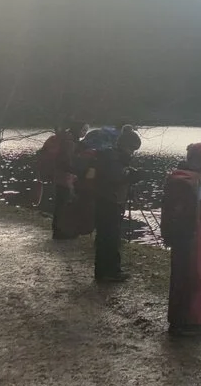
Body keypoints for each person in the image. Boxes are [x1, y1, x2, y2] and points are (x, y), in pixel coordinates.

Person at [166, 143, 201, 336]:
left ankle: (176, 320)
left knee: (179, 274)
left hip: (179, 234)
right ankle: (193, 323)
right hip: (198, 234)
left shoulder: (176, 177)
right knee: (196, 276)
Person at [93, 125, 142, 283]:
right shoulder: (114, 158)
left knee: (105, 237)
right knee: (111, 238)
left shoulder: (111, 156)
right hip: (110, 202)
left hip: (106, 200)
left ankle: (102, 271)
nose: (132, 153)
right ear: (125, 145)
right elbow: (115, 179)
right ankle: (112, 271)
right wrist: (131, 177)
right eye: (132, 149)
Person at [50, 121, 89, 240]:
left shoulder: (66, 138)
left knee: (61, 204)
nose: (84, 133)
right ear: (78, 129)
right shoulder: (70, 142)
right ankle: (62, 232)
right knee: (65, 204)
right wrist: (79, 170)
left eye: (86, 131)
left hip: (60, 176)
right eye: (83, 130)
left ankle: (59, 230)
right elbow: (68, 161)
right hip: (66, 177)